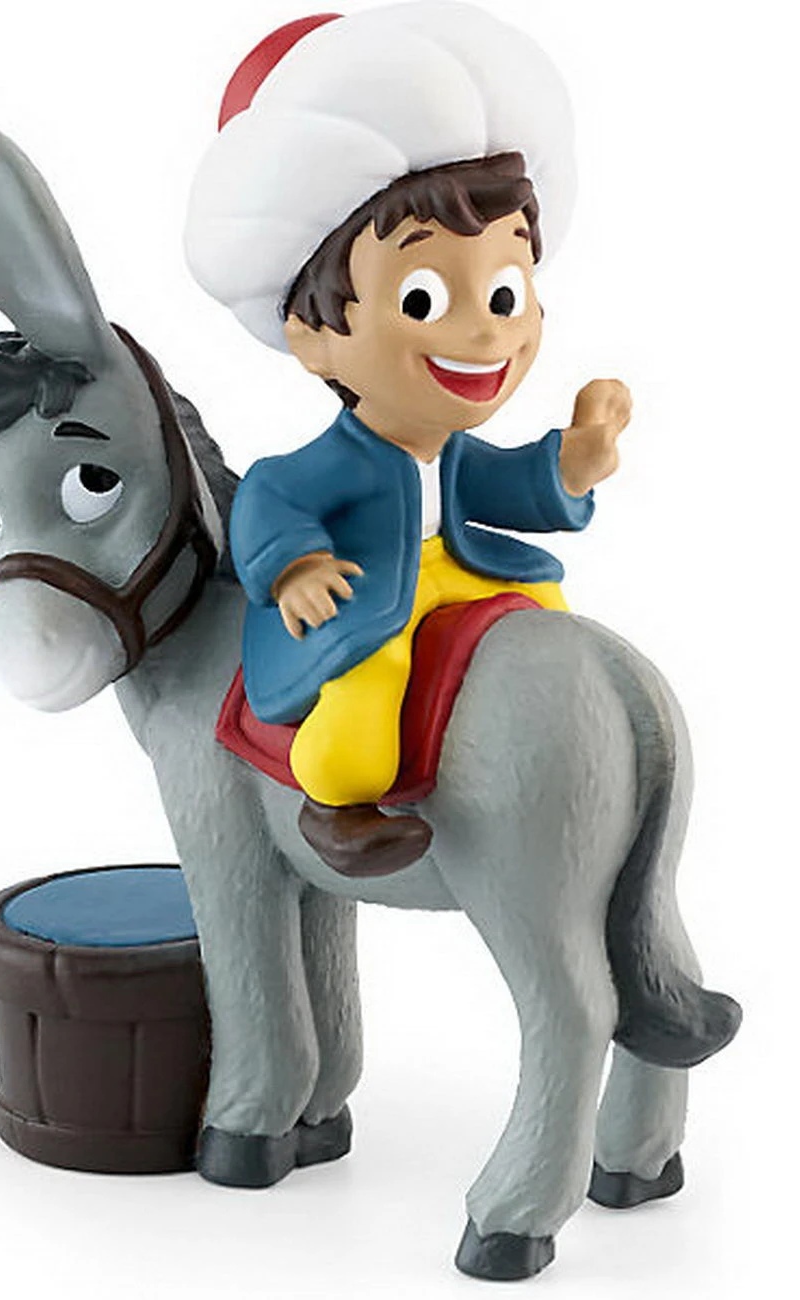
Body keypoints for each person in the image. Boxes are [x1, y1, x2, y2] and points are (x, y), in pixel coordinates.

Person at [185, 4, 629, 876]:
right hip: (368, 595)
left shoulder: (451, 452)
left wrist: (567, 466)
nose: (487, 333)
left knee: (550, 624)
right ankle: (338, 809)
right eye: (424, 300)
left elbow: (499, 483)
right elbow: (272, 501)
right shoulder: (325, 465)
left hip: (462, 571)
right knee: (363, 707)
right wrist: (298, 569)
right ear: (313, 334)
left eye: (506, 295)